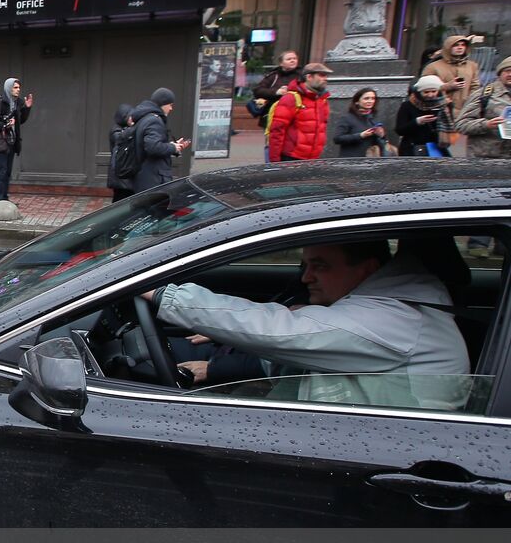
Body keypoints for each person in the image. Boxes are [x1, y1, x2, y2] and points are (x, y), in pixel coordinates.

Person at [148, 241, 469, 411]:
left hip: (388, 457)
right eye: (305, 265)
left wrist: (160, 292)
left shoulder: (394, 319)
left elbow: (281, 331)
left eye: (320, 266)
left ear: (367, 268)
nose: (306, 278)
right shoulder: (391, 306)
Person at [266, 62, 332, 163]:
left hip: (313, 159)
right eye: (321, 75)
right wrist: (275, 162)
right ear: (309, 77)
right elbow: (277, 131)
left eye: (326, 76)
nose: (325, 79)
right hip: (291, 158)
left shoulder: (322, 100)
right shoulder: (291, 98)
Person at [0, 77, 34, 203]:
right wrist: (5, 125)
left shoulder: (16, 103)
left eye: (19, 88)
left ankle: (4, 198)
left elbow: (20, 121)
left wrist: (27, 108)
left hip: (11, 142)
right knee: (1, 172)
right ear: (8, 88)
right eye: (15, 87)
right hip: (1, 142)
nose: (18, 90)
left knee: (7, 172)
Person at [129, 88, 190, 192]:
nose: (171, 108)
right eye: (170, 104)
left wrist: (173, 146)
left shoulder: (145, 118)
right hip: (153, 180)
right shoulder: (154, 120)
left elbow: (149, 144)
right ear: (163, 103)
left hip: (144, 177)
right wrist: (173, 147)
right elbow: (152, 147)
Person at [454, 55, 511, 162]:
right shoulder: (484, 94)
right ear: (499, 74)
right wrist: (487, 124)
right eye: (507, 71)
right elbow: (461, 124)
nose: (510, 74)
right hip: (485, 159)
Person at [422, 34, 480, 122]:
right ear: (448, 47)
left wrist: (470, 103)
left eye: (463, 45)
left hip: (465, 112)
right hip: (440, 111)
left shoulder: (472, 66)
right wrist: (447, 86)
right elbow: (424, 88)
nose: (460, 47)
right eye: (456, 45)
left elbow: (475, 86)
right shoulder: (433, 67)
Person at [396, 75, 449, 157]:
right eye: (426, 92)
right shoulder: (407, 106)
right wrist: (417, 122)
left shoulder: (443, 105)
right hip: (413, 147)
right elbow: (399, 130)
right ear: (419, 92)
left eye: (434, 91)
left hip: (437, 148)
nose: (430, 95)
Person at [249, 49, 301, 127]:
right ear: (281, 63)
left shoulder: (302, 76)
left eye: (294, 58)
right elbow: (258, 90)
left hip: (295, 115)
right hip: (273, 115)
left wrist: (291, 91)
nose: (292, 61)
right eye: (289, 59)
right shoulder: (274, 76)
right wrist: (277, 92)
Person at [332, 88, 386, 157]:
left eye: (373, 98)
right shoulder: (347, 118)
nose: (370, 101)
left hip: (372, 160)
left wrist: (381, 135)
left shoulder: (374, 118)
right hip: (352, 160)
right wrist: (360, 135)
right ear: (357, 101)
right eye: (366, 98)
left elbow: (380, 142)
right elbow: (337, 139)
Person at [106, 103, 136, 201]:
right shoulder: (116, 130)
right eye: (130, 117)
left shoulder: (127, 129)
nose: (132, 119)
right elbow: (120, 138)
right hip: (120, 174)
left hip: (126, 172)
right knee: (119, 200)